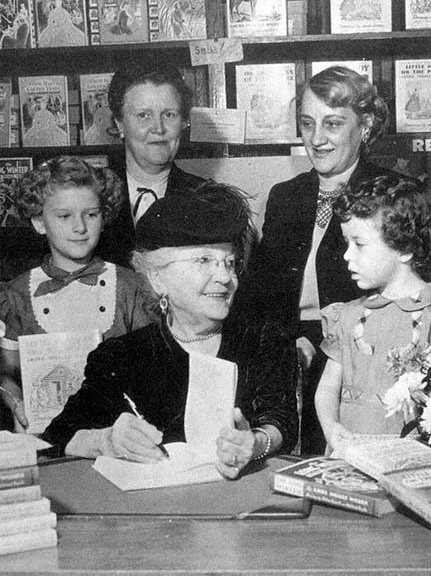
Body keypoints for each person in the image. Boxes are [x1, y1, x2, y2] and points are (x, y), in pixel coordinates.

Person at [42, 181, 299, 479]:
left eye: (229, 263)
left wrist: (255, 443)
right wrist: (104, 440)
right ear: (157, 279)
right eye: (204, 260)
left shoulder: (264, 340)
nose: (225, 277)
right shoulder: (121, 356)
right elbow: (57, 435)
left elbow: (281, 421)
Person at [241, 65, 409, 454]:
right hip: (288, 346)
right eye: (307, 123)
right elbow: (259, 293)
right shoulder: (286, 195)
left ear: (364, 126)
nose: (317, 139)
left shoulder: (391, 195)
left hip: (361, 352)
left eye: (332, 124)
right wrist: (285, 344)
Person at [0, 156, 152, 431]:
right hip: (45, 438)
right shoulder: (16, 295)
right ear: (39, 222)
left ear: (104, 218)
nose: (79, 227)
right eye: (64, 216)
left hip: (119, 435)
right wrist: (16, 403)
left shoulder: (131, 287)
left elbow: (151, 367)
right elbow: (6, 374)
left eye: (91, 214)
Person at [315, 175, 431, 453]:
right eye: (345, 243)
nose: (346, 255)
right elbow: (327, 389)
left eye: (359, 244)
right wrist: (332, 429)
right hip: (349, 456)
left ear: (404, 249)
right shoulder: (347, 316)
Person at [98, 62, 205, 266]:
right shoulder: (92, 192)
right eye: (143, 115)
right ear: (119, 124)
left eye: (169, 114)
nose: (158, 128)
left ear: (183, 122)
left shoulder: (204, 198)